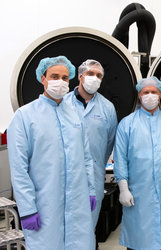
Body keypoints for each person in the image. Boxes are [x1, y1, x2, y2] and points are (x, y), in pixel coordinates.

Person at [7, 56, 96, 250]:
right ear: (43, 78)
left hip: (77, 205)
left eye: (65, 78)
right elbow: (19, 169)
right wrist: (28, 209)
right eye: (54, 76)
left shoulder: (75, 114)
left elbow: (87, 158)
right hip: (45, 206)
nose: (60, 82)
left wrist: (90, 190)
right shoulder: (25, 116)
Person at [113, 76, 161, 250]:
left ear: (160, 95)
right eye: (145, 92)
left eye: (154, 92)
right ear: (139, 95)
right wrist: (123, 189)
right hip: (137, 194)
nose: (150, 95)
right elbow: (120, 159)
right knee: (139, 241)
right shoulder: (127, 124)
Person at [64, 59, 118, 233]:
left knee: (88, 228)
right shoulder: (63, 103)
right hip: (64, 174)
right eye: (90, 74)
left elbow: (109, 142)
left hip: (94, 175)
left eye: (98, 75)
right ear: (80, 76)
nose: (94, 78)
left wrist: (96, 163)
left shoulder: (108, 108)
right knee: (63, 228)